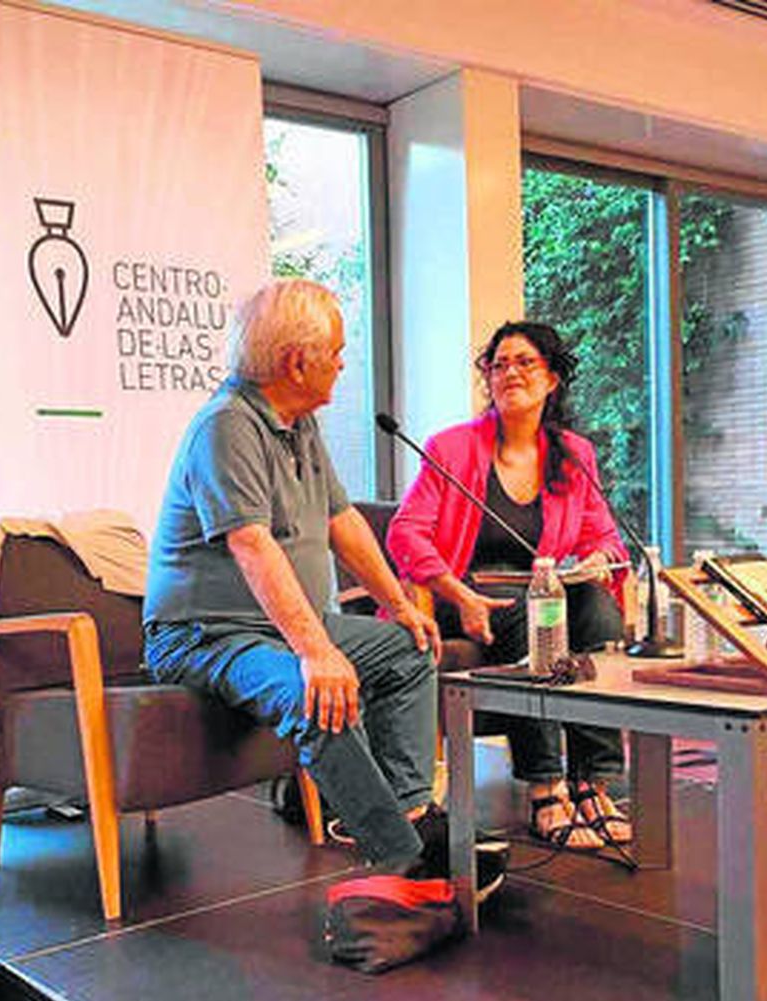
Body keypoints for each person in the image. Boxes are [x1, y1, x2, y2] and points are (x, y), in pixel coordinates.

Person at [145, 278, 477, 886]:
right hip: (206, 635)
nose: (344, 362)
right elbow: (251, 543)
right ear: (298, 362)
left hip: (277, 627)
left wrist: (397, 603)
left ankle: (411, 809)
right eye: (337, 351)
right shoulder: (226, 426)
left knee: (410, 648)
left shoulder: (297, 424)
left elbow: (340, 520)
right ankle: (399, 855)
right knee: (314, 691)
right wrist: (316, 650)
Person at [386, 320, 633, 852]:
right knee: (537, 612)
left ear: (552, 379)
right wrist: (457, 593)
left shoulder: (574, 454)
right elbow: (406, 532)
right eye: (499, 364)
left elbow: (607, 538)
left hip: (542, 592)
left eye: (525, 362)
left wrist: (595, 559)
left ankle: (593, 781)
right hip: (463, 596)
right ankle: (545, 784)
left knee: (596, 610)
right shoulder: (451, 449)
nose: (510, 372)